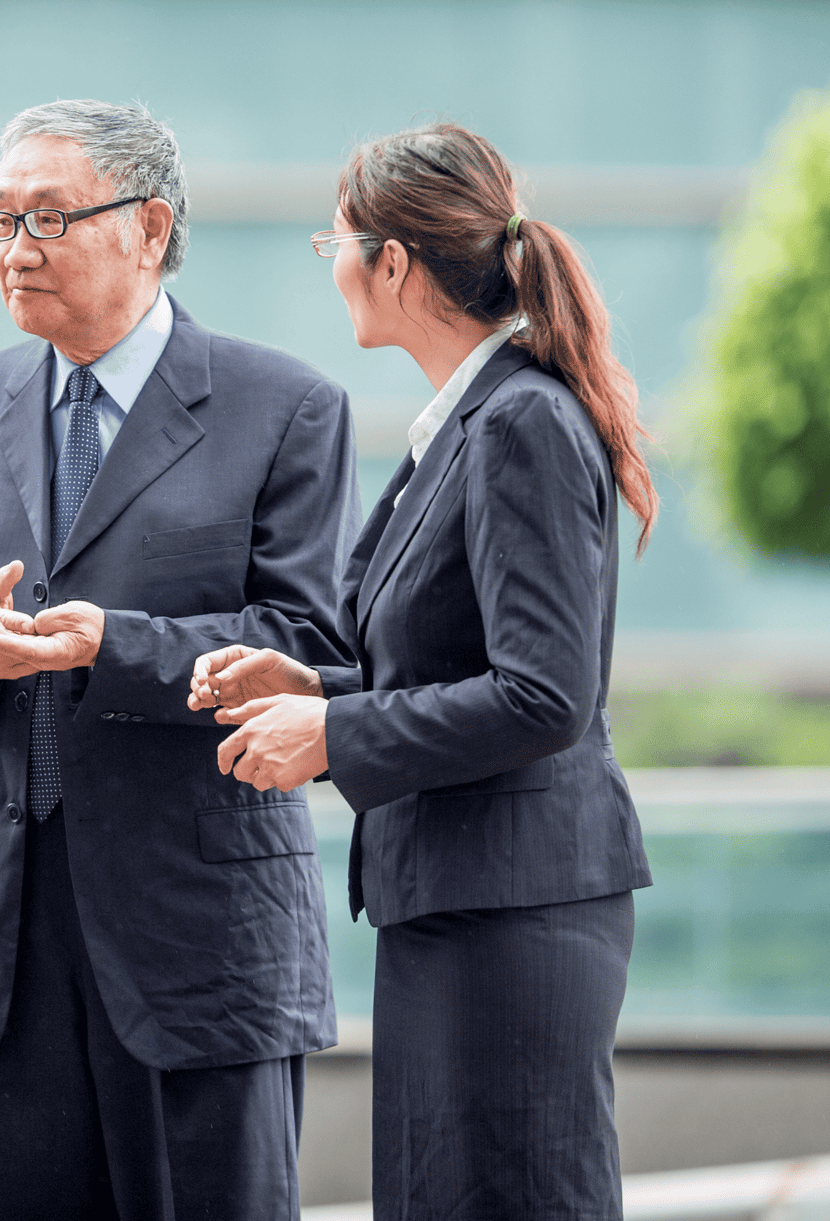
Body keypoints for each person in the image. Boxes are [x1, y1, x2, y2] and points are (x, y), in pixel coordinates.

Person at [0, 99, 360, 1220]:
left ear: (147, 226)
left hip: (200, 942)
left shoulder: (283, 407)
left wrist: (112, 646)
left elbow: (310, 646)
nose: (17, 248)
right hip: (12, 941)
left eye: (47, 217)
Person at [192, 122, 656, 1220]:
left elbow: (545, 695)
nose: (333, 265)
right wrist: (315, 693)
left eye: (336, 243)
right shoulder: (463, 426)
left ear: (392, 262)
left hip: (514, 913)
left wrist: (333, 739)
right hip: (461, 904)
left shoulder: (518, 424)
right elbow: (458, 664)